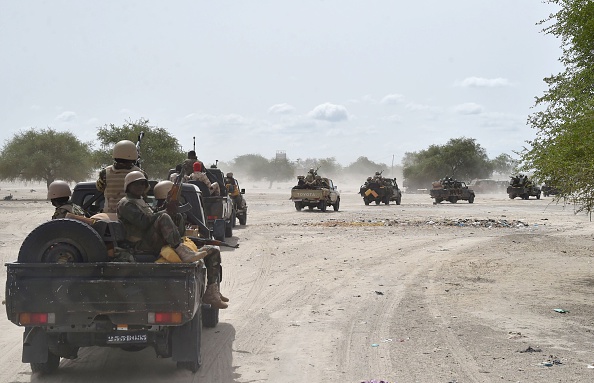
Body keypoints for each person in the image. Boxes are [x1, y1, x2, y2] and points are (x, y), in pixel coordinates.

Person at [152, 179, 229, 308]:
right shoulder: (158, 216)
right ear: (169, 196)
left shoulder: (175, 215)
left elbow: (181, 234)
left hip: (174, 249)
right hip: (167, 251)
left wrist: (176, 215)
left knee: (213, 250)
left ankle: (212, 291)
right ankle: (211, 292)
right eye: (176, 196)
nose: (178, 200)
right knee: (211, 252)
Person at [96, 140, 146, 214]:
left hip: (110, 215)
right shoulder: (140, 173)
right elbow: (144, 193)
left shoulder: (105, 173)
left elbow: (99, 188)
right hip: (133, 217)